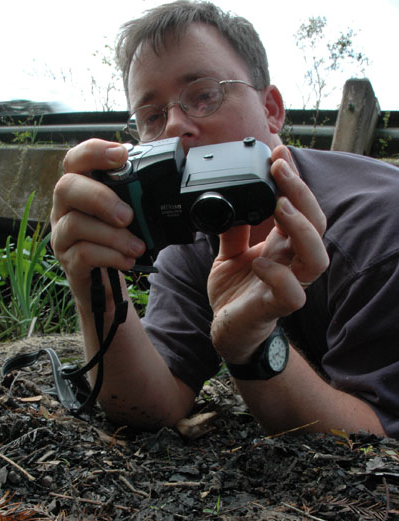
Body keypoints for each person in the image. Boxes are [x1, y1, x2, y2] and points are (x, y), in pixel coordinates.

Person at [50, 0, 399, 438]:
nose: (175, 127)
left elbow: (380, 443)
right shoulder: (195, 234)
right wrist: (95, 287)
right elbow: (156, 403)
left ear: (271, 109)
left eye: (204, 95)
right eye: (152, 117)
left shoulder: (381, 228)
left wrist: (254, 347)